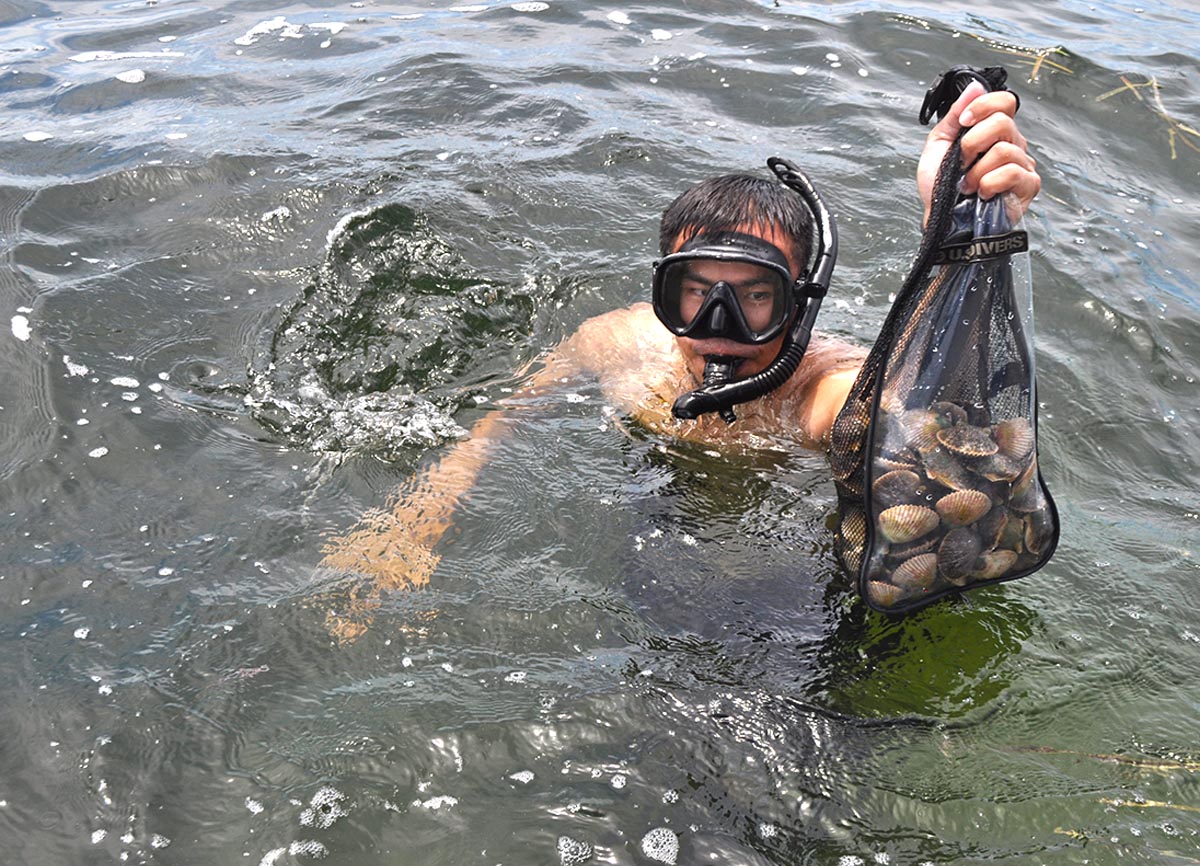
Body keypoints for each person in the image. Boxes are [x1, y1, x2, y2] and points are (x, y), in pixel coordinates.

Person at [317, 81, 1041, 643]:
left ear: (802, 301)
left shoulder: (824, 390)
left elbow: (919, 427)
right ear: (664, 286)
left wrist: (960, 240)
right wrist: (419, 514)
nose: (718, 325)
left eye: (757, 295)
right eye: (696, 292)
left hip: (797, 587)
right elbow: (501, 421)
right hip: (655, 541)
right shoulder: (617, 343)